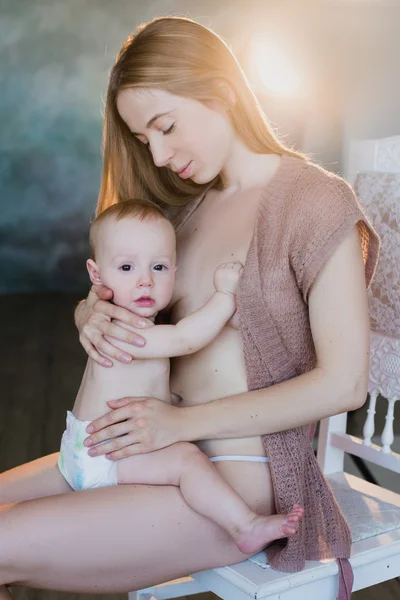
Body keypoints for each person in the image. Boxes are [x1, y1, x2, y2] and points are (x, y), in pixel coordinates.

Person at [0, 15, 378, 600]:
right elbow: (125, 288)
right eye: (145, 139)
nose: (157, 152)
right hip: (145, 460)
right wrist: (89, 313)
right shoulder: (186, 211)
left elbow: (345, 384)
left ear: (221, 90)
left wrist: (180, 424)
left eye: (165, 126)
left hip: (236, 485)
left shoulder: (314, 203)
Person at [57, 197, 304, 554]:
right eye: (126, 268)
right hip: (104, 457)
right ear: (97, 276)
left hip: (85, 449)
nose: (144, 281)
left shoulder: (126, 321)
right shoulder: (121, 329)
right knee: (187, 462)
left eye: (158, 267)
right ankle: (244, 525)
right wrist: (225, 296)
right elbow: (186, 338)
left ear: (174, 272)